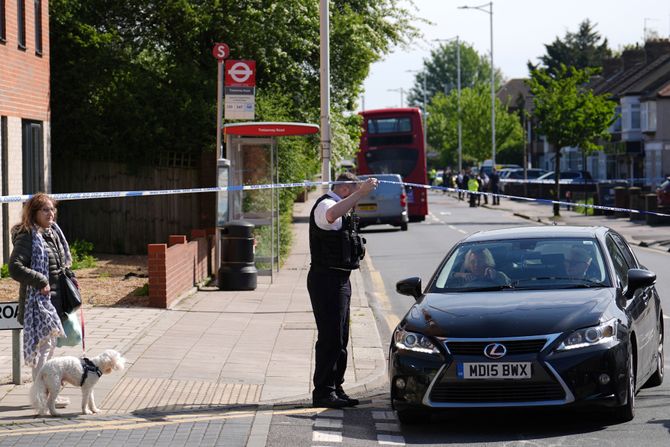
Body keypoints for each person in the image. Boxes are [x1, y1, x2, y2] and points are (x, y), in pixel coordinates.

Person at [308, 172, 378, 408]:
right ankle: (323, 392)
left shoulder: (340, 203)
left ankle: (336, 387)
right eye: (355, 192)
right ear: (346, 189)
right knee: (330, 336)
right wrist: (361, 192)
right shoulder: (325, 204)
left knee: (341, 337)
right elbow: (330, 215)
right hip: (326, 279)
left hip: (340, 278)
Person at [9, 193, 75, 408]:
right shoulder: (27, 236)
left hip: (53, 300)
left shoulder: (52, 232)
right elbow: (15, 267)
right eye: (45, 210)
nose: (51, 213)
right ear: (34, 213)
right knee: (42, 351)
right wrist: (39, 280)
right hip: (36, 303)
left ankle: (46, 395)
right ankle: (42, 398)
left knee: (49, 348)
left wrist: (69, 278)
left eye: (52, 209)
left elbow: (58, 264)